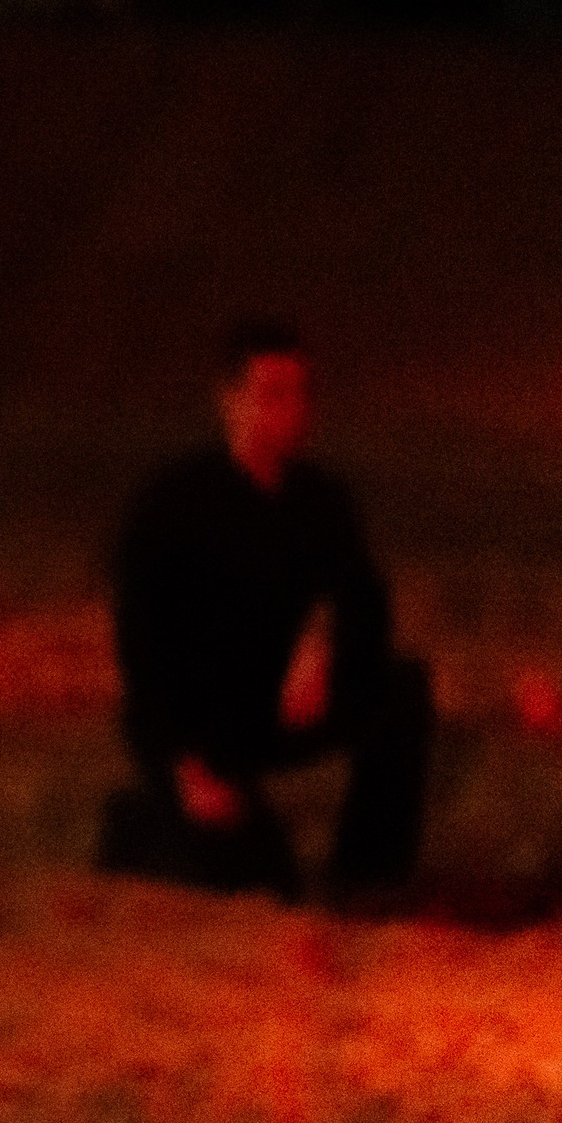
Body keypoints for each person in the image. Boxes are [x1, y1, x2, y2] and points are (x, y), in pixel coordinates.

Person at [101, 318, 432, 902]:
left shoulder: (320, 500)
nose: (294, 410)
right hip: (203, 721)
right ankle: (144, 821)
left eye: (303, 394)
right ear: (231, 401)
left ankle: (368, 873)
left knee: (402, 690)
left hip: (281, 701)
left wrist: (324, 645)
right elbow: (143, 649)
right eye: (274, 395)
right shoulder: (174, 505)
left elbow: (366, 602)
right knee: (257, 878)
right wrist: (183, 762)